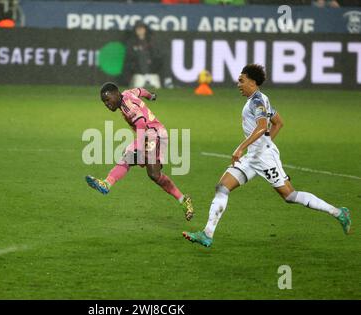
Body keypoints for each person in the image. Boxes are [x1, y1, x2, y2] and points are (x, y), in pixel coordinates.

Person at [183, 64, 352, 248]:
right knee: (222, 187)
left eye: (242, 80)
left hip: (264, 158)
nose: (238, 84)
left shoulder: (257, 102)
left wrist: (243, 147)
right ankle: (207, 234)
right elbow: (278, 123)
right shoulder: (260, 99)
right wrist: (262, 142)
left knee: (290, 195)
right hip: (253, 156)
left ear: (252, 82)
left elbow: (263, 126)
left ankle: (338, 213)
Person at [86, 82, 194, 220]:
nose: (107, 104)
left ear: (116, 94)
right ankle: (183, 199)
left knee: (129, 156)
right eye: (104, 102)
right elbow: (140, 91)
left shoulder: (127, 108)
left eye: (108, 100)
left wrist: (141, 149)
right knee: (154, 175)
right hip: (154, 133)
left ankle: (107, 183)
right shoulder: (127, 93)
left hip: (153, 134)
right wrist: (151, 96)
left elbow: (142, 124)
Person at [125, 21, 173, 89]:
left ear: (145, 29)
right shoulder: (131, 42)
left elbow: (156, 54)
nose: (140, 31)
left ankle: (168, 80)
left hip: (151, 67)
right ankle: (146, 79)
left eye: (142, 28)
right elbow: (129, 58)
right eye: (138, 29)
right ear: (135, 30)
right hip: (137, 68)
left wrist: (149, 59)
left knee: (165, 54)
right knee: (141, 53)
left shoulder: (151, 40)